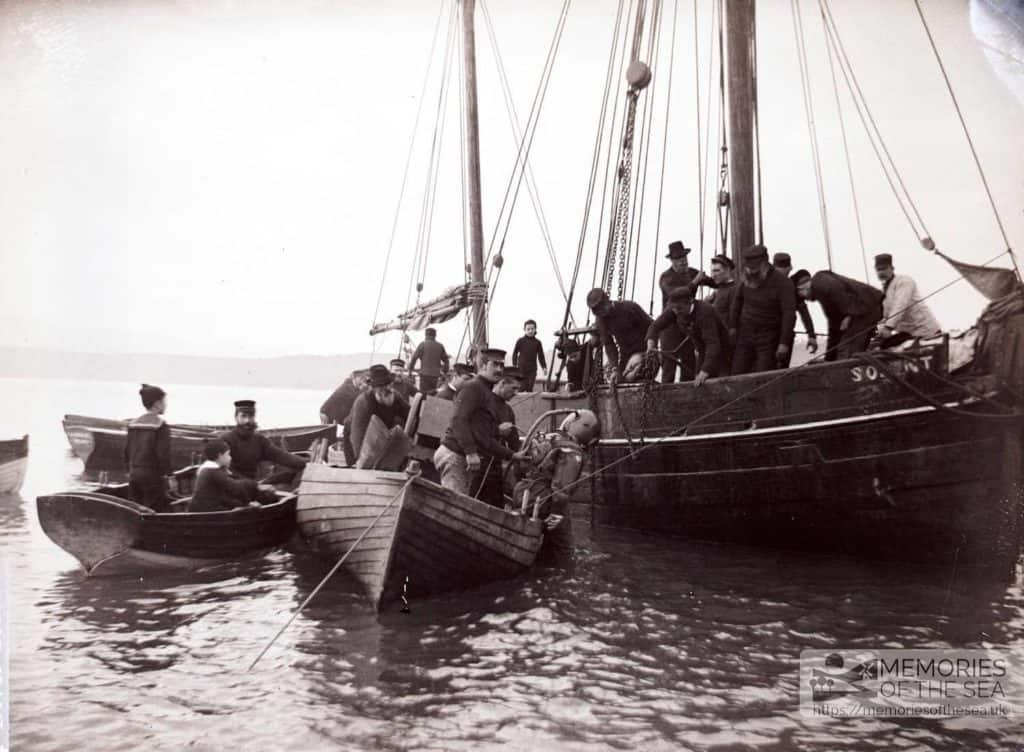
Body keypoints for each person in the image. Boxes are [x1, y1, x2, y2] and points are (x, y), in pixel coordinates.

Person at [434, 348, 525, 497]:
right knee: (455, 505)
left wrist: (500, 437)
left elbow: (481, 431)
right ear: (483, 365)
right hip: (456, 454)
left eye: (501, 366)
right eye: (495, 365)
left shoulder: (485, 391)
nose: (499, 369)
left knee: (462, 503)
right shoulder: (473, 387)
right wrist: (470, 452)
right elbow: (458, 419)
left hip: (461, 455)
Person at [511, 409, 600, 558]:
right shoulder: (571, 450)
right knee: (564, 551)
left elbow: (518, 468)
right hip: (545, 501)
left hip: (523, 496)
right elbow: (561, 487)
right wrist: (557, 513)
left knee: (535, 545)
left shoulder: (544, 438)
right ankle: (563, 574)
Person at [729, 245, 796, 375]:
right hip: (745, 335)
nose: (752, 272)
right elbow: (736, 303)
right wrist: (732, 327)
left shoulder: (783, 283)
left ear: (765, 263)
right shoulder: (745, 279)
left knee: (763, 375)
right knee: (737, 373)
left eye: (755, 268)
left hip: (769, 337)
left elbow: (789, 314)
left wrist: (784, 343)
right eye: (749, 268)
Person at [792, 269, 884, 361]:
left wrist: (849, 315)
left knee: (846, 347)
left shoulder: (820, 282)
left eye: (802, 298)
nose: (806, 300)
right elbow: (834, 327)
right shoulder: (822, 292)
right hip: (868, 308)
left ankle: (844, 372)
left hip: (865, 307)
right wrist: (829, 358)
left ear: (801, 289)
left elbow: (839, 291)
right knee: (851, 347)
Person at [646, 287, 730, 386]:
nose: (676, 312)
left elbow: (713, 344)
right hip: (702, 350)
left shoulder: (704, 312)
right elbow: (655, 326)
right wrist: (651, 344)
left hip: (723, 351)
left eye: (679, 308)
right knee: (698, 382)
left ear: (690, 302)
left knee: (718, 382)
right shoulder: (674, 309)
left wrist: (705, 371)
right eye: (674, 309)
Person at [218, 400, 307, 482]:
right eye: (243, 416)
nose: (247, 421)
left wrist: (308, 463)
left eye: (251, 416)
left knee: (289, 475)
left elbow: (282, 456)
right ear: (236, 418)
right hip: (232, 486)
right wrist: (250, 484)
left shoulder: (259, 440)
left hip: (253, 485)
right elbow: (222, 470)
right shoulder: (226, 440)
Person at [656, 241, 705, 383]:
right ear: (672, 261)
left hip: (688, 326)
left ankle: (688, 398)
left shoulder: (692, 272)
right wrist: (695, 282)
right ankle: (665, 399)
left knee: (689, 363)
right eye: (678, 259)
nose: (683, 261)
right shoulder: (666, 278)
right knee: (669, 366)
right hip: (670, 328)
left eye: (684, 258)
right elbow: (676, 293)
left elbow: (711, 281)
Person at [586, 288, 653, 384]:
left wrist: (649, 350)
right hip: (625, 356)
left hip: (644, 352)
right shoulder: (601, 320)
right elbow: (608, 344)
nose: (602, 313)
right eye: (599, 312)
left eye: (603, 308)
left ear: (608, 301)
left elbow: (652, 326)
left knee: (632, 378)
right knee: (617, 381)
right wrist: (614, 368)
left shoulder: (629, 308)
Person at [873, 253, 941, 347]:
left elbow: (900, 305)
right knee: (882, 346)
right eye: (878, 270)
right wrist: (879, 330)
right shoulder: (884, 291)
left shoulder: (904, 281)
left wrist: (888, 327)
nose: (881, 273)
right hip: (907, 333)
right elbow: (885, 316)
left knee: (887, 348)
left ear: (892, 269)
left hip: (925, 331)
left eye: (884, 269)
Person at [188, 439, 274, 513]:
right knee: (244, 509)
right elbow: (235, 488)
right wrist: (248, 503)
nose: (230, 457)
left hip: (199, 509)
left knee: (236, 504)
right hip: (207, 512)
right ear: (220, 455)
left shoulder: (206, 469)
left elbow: (229, 489)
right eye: (228, 454)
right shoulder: (213, 471)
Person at [347, 364, 411, 462]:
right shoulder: (364, 404)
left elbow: (410, 416)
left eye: (389, 384)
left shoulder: (395, 397)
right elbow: (357, 439)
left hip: (379, 436)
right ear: (375, 389)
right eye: (383, 386)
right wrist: (360, 461)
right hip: (353, 437)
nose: (389, 388)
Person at [124, 383, 172, 512]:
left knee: (135, 511)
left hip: (134, 474)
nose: (166, 405)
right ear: (157, 403)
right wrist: (169, 476)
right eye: (164, 401)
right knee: (155, 512)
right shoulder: (161, 425)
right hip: (152, 476)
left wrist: (129, 472)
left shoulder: (133, 424)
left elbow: (127, 452)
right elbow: (163, 455)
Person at [773, 252, 819, 366]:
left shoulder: (792, 288)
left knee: (780, 368)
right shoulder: (765, 286)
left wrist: (811, 335)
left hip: (783, 336)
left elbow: (804, 313)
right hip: (768, 337)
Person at [408, 328, 450, 395]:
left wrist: (410, 370)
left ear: (426, 335)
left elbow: (414, 358)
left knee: (424, 394)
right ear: (435, 335)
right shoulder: (440, 346)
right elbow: (446, 360)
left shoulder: (422, 344)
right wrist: (445, 371)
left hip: (424, 375)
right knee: (433, 394)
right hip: (435, 376)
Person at [512, 319, 548, 392]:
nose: (530, 331)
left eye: (532, 329)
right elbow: (515, 353)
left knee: (529, 387)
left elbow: (541, 356)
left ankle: (529, 401)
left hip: (532, 369)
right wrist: (514, 366)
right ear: (524, 330)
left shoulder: (537, 342)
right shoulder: (520, 341)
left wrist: (544, 367)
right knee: (522, 387)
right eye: (528, 329)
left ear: (535, 329)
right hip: (521, 368)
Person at [706, 254, 738, 324]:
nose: (713, 275)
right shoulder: (719, 289)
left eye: (717, 271)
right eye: (712, 271)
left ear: (727, 270)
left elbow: (734, 318)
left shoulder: (734, 290)